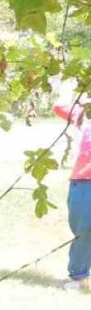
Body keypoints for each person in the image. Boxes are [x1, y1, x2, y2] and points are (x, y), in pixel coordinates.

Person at [54, 101, 91, 291]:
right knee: (83, 231)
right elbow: (58, 106)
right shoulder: (84, 116)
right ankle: (79, 275)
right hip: (83, 183)